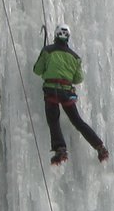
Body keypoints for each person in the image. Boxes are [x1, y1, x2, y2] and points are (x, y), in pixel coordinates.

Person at [32, 24, 109, 165]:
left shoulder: (47, 51)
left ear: (55, 35)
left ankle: (60, 149)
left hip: (51, 91)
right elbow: (78, 79)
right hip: (67, 93)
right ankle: (100, 147)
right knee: (78, 121)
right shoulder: (75, 57)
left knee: (54, 120)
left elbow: (37, 70)